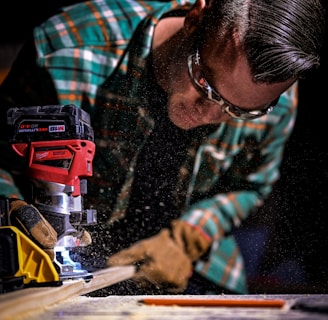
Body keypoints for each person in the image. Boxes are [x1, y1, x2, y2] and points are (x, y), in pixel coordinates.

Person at [0, 0, 325, 295]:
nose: (208, 115)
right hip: (63, 266)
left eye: (238, 111)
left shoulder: (272, 101)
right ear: (196, 16)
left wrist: (188, 237)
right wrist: (8, 205)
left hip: (194, 269)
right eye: (205, 82)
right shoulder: (65, 53)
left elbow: (252, 186)